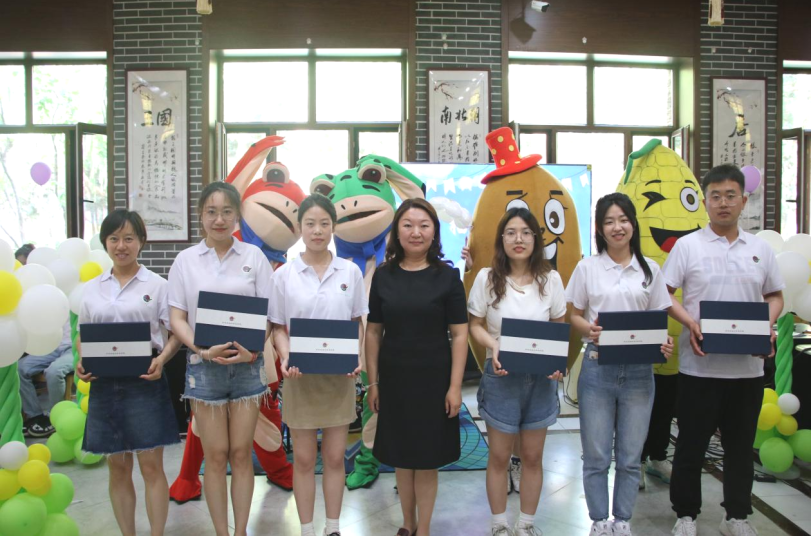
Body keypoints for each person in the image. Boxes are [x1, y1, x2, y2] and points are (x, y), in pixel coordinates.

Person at [664, 165, 784, 536]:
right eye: (715, 196)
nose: (723, 203)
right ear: (705, 202)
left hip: (747, 371)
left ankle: (736, 516)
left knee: (740, 448)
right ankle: (686, 515)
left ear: (743, 201)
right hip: (699, 368)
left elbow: (775, 296)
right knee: (690, 445)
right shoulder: (688, 246)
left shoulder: (760, 249)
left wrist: (766, 324)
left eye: (730, 195)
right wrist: (690, 323)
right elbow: (664, 295)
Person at [565, 193, 674, 536]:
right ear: (600, 229)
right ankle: (599, 520)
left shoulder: (649, 269)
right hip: (598, 367)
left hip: (640, 373)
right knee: (596, 455)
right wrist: (590, 330)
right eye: (609, 221)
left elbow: (658, 320)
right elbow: (573, 314)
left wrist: (664, 343)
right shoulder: (587, 268)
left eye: (623, 220)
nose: (617, 227)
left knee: (630, 456)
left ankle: (622, 520)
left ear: (633, 224)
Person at [168, 181, 273, 536]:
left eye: (227, 211)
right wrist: (200, 350)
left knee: (241, 453)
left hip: (247, 367)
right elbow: (177, 318)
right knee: (215, 455)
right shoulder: (185, 261)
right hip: (204, 369)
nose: (219, 219)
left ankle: (240, 531)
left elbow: (269, 315)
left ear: (237, 216)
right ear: (201, 216)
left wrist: (253, 351)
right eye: (211, 212)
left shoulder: (254, 257)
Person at [365, 198, 468, 536]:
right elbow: (373, 332)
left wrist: (455, 387)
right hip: (395, 379)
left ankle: (423, 528)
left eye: (424, 225)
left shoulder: (448, 277)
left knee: (425, 458)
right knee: (401, 455)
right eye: (408, 225)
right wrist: (373, 383)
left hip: (434, 381)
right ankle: (407, 523)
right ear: (396, 231)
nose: (416, 232)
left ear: (434, 232)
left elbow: (460, 335)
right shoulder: (383, 276)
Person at [75, 209, 181, 536]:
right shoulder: (91, 289)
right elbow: (82, 334)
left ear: (141, 242)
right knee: (118, 468)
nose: (121, 246)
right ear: (105, 242)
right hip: (105, 384)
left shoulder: (158, 285)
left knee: (151, 468)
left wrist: (162, 360)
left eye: (128, 238)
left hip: (145, 380)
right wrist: (82, 361)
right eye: (114, 239)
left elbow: (175, 332)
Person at [271, 193, 367, 536]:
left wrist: (356, 356)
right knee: (303, 459)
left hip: (339, 378)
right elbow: (278, 328)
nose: (317, 230)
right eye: (310, 223)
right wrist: (285, 356)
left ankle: (333, 527)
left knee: (336, 457)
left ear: (333, 227)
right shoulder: (284, 275)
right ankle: (307, 529)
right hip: (300, 379)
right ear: (300, 227)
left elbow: (357, 322)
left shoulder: (350, 272)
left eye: (324, 223)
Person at [467, 207, 565, 536]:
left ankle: (526, 524)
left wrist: (556, 363)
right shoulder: (487, 277)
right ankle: (499, 524)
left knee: (533, 457)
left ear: (536, 239)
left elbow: (558, 326)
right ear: (501, 239)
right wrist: (493, 345)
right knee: (498, 456)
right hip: (501, 377)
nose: (518, 239)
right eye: (510, 232)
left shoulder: (551, 279)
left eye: (525, 232)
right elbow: (475, 325)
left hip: (540, 381)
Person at [18, 320, 74, 437]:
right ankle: (35, 416)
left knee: (54, 372)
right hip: (52, 347)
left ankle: (53, 417)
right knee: (20, 368)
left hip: (75, 349)